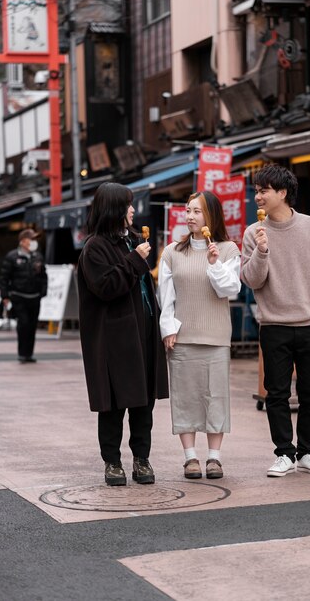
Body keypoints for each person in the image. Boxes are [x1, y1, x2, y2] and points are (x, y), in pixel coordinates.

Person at [241, 165, 310, 477]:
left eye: (264, 190)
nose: (258, 196)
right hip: (273, 325)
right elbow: (252, 281)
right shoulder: (253, 233)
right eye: (257, 190)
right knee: (276, 393)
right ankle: (284, 453)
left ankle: (308, 451)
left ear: (282, 193)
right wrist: (263, 251)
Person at [77, 182, 169, 487]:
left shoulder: (131, 240)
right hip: (114, 340)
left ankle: (142, 459)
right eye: (128, 204)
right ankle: (112, 462)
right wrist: (135, 262)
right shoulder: (96, 247)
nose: (133, 210)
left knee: (144, 403)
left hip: (142, 333)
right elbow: (105, 287)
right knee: (115, 404)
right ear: (114, 209)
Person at [158, 191, 241, 480]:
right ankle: (190, 457)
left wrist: (215, 263)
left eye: (197, 211)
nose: (190, 216)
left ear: (211, 217)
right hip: (183, 336)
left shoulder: (229, 249)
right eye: (188, 210)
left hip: (216, 336)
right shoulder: (171, 251)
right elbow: (166, 297)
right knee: (185, 397)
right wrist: (168, 329)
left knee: (215, 396)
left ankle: (215, 458)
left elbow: (229, 290)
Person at [0, 229, 47, 363]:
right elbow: (4, 278)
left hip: (35, 296)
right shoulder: (12, 256)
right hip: (19, 296)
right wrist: (5, 296)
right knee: (23, 324)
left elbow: (44, 275)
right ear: (23, 241)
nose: (33, 242)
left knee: (32, 325)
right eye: (31, 239)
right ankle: (22, 353)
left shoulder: (38, 256)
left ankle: (29, 354)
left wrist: (43, 291)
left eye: (34, 239)